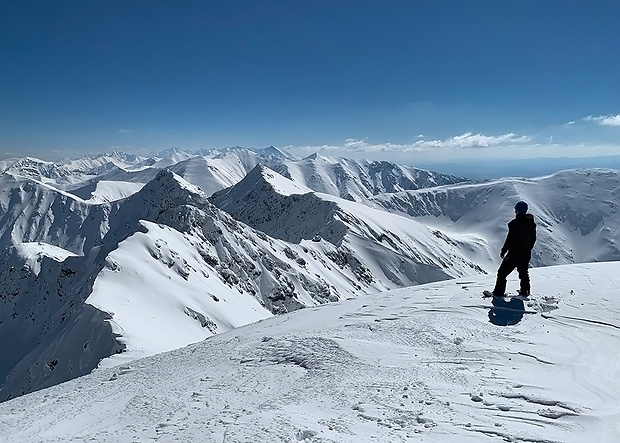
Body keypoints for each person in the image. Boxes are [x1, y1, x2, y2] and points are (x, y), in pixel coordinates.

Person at [491, 201, 537, 296]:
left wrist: (504, 250)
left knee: (502, 273)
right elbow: (533, 239)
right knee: (523, 271)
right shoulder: (531, 223)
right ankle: (525, 291)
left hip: (514, 253)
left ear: (517, 211)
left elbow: (510, 239)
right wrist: (528, 249)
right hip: (526, 253)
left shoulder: (514, 224)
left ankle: (498, 293)